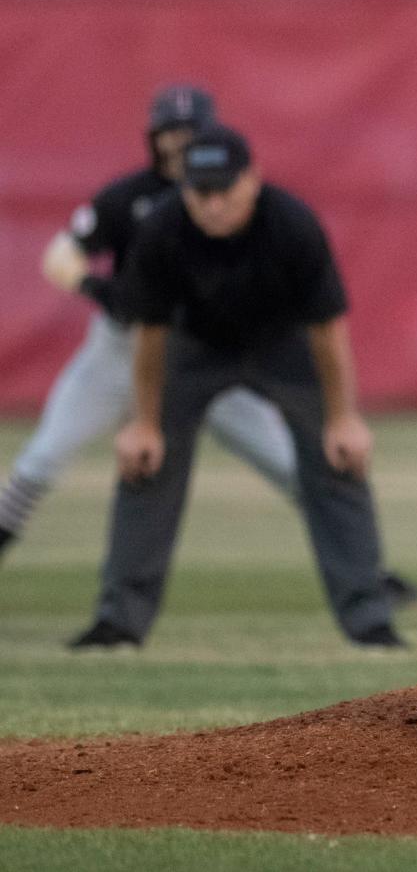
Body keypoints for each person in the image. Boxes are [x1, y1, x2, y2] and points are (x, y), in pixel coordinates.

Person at [70, 124, 404, 649]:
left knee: (338, 458)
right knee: (145, 462)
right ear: (184, 189)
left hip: (283, 344)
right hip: (193, 346)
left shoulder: (292, 224)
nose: (213, 203)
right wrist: (143, 423)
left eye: (225, 189)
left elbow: (328, 329)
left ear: (252, 179)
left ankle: (370, 619)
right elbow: (150, 334)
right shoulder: (162, 230)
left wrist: (343, 418)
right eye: (201, 191)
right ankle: (119, 621)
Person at [0, 87, 300, 556]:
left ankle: (369, 573)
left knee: (290, 465)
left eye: (189, 132)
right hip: (121, 351)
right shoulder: (130, 197)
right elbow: (60, 255)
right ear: (153, 138)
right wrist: (103, 291)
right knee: (41, 459)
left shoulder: (233, 199)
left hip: (200, 354)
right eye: (169, 132)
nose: (179, 142)